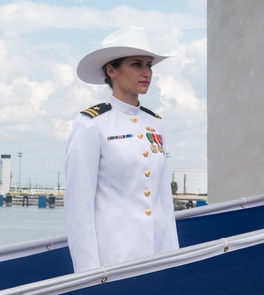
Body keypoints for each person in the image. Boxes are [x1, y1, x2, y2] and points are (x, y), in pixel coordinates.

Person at [65, 26, 179, 271]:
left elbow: (163, 201)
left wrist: (173, 260)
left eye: (149, 65)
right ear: (112, 70)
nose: (146, 72)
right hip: (115, 260)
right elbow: (79, 208)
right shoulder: (91, 124)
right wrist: (88, 275)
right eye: (136, 64)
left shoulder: (155, 123)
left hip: (158, 258)